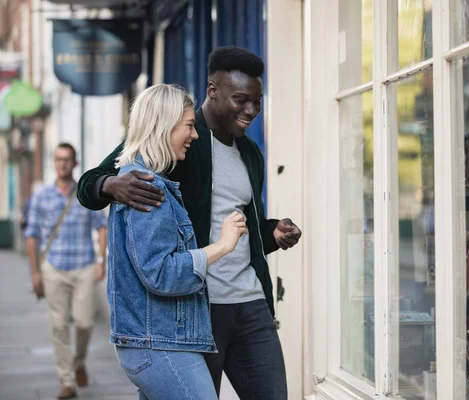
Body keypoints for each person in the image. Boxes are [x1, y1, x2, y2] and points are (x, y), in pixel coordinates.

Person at [77, 46, 301, 399]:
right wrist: (111, 184)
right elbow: (92, 182)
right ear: (213, 91)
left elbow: (240, 225)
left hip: (250, 302)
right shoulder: (174, 139)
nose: (251, 110)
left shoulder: (250, 153)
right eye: (241, 100)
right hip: (198, 305)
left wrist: (271, 231)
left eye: (257, 101)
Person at [108, 84, 248, 400]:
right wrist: (223, 246)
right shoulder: (147, 188)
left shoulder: (140, 180)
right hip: (159, 345)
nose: (194, 135)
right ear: (164, 125)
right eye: (188, 125)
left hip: (155, 342)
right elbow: (161, 274)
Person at [25, 143, 107, 400]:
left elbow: (101, 226)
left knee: (84, 323)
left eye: (67, 159)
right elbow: (32, 236)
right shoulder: (42, 196)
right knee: (59, 326)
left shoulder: (84, 194)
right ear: (54, 162)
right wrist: (35, 273)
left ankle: (78, 361)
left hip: (83, 266)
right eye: (58, 159)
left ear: (75, 163)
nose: (62, 164)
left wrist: (100, 261)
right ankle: (67, 381)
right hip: (54, 269)